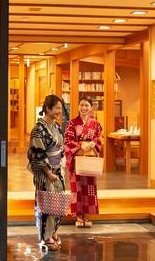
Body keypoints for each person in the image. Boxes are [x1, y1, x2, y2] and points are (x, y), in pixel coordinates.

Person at [28, 94, 66, 252]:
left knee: (58, 202)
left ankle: (53, 230)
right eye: (57, 108)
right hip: (45, 173)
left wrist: (61, 166)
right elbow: (37, 153)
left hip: (57, 170)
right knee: (47, 204)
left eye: (60, 108)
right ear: (48, 109)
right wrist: (48, 172)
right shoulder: (38, 129)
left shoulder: (56, 126)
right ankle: (46, 236)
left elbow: (61, 149)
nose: (60, 111)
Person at [64, 96, 104, 228]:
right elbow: (68, 140)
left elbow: (99, 138)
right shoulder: (72, 123)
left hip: (89, 159)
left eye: (87, 105)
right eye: (81, 105)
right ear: (78, 106)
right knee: (77, 188)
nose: (84, 108)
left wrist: (93, 143)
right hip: (76, 159)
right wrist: (80, 145)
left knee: (89, 188)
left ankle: (86, 216)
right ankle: (78, 216)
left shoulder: (95, 124)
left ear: (91, 107)